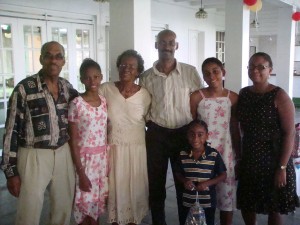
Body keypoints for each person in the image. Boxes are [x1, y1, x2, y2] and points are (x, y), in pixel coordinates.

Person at [0, 41, 78, 225]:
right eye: (48, 55)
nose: (53, 60)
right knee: (29, 210)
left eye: (58, 56)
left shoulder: (67, 88)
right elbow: (11, 131)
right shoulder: (24, 89)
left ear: (63, 61)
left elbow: (83, 114)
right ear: (41, 58)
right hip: (33, 155)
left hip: (62, 153)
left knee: (63, 208)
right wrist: (10, 172)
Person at [139, 29, 203, 225]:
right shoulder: (146, 76)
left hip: (183, 134)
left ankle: (185, 221)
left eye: (171, 42)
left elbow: (198, 102)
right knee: (156, 184)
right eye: (163, 42)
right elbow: (143, 105)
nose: (167, 46)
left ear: (177, 46)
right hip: (157, 134)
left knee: (184, 182)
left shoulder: (190, 72)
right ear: (156, 45)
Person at [237, 52, 300, 225]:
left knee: (274, 205)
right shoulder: (243, 94)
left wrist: (282, 167)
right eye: (251, 66)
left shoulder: (279, 96)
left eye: (261, 67)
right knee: (247, 202)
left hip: (274, 158)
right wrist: (239, 156)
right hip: (250, 156)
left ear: (270, 70)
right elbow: (240, 126)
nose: (255, 70)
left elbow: (290, 133)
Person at [99, 49, 151, 225]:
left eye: (131, 66)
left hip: (136, 150)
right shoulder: (105, 89)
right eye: (123, 65)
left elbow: (149, 120)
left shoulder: (145, 95)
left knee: (134, 191)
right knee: (115, 191)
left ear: (138, 71)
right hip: (113, 150)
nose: (126, 69)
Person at [190, 57, 241, 225]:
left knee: (226, 198)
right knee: (204, 195)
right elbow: (193, 125)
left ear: (223, 73)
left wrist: (238, 155)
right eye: (206, 73)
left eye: (215, 71)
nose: (211, 76)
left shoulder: (233, 97)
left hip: (226, 152)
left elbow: (235, 127)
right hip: (203, 153)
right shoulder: (197, 97)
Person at [68, 58, 108, 225]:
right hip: (85, 162)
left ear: (101, 77)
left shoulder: (104, 101)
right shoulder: (76, 104)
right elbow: (74, 141)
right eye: (87, 77)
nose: (92, 81)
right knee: (84, 208)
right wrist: (81, 172)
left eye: (96, 76)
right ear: (82, 79)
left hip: (101, 161)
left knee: (96, 208)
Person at [174, 119, 227, 225]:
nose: (195, 138)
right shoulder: (182, 154)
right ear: (187, 136)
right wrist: (185, 181)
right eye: (192, 134)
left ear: (207, 136)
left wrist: (207, 183)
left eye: (200, 134)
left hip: (207, 202)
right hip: (188, 201)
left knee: (208, 222)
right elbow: (177, 173)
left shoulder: (213, 155)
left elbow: (223, 175)